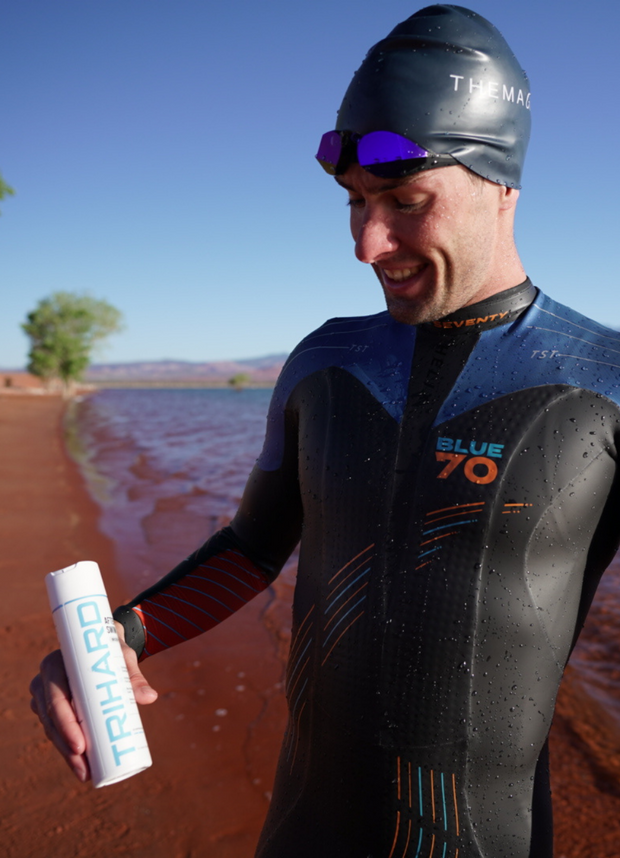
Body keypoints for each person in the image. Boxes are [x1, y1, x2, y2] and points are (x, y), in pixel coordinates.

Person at [30, 5, 620, 857]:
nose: (367, 242)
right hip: (300, 831)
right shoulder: (326, 362)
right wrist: (116, 638)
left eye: (406, 201)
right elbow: (252, 545)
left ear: (503, 186)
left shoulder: (598, 382)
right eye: (354, 203)